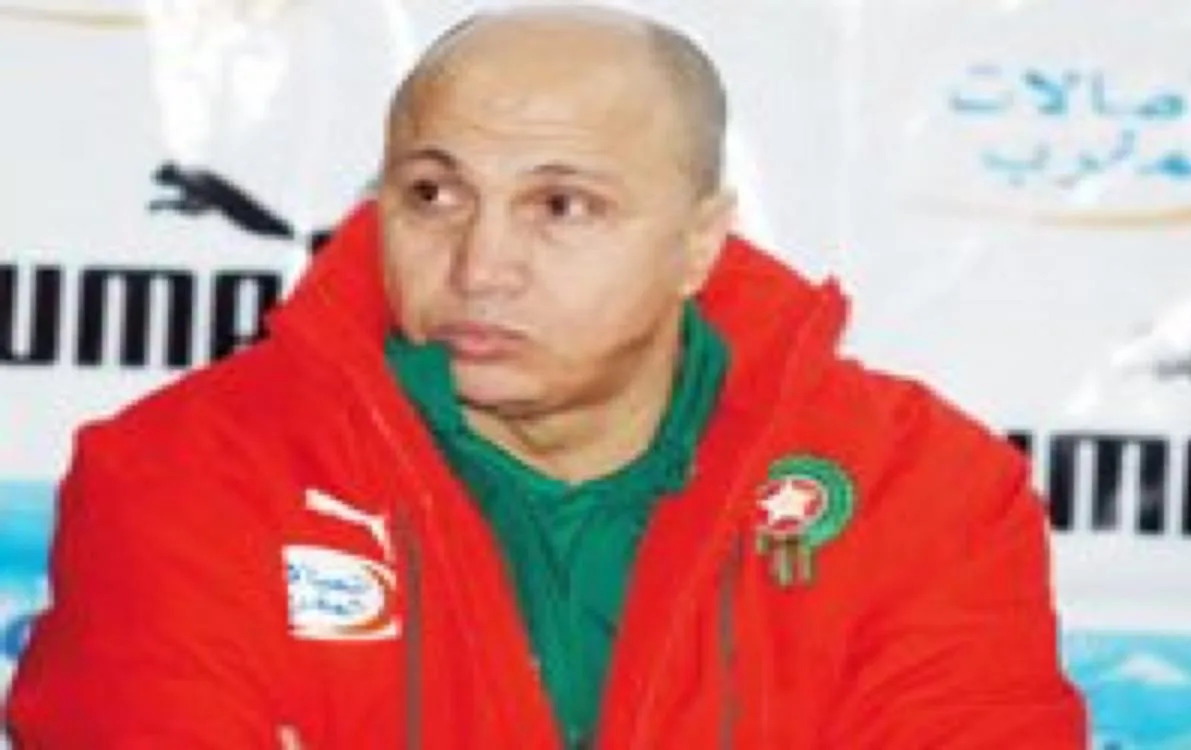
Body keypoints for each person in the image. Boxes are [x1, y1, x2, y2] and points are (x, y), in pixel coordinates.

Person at [6, 5, 1086, 748]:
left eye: (562, 206)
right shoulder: (186, 477)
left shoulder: (918, 490)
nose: (480, 265)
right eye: (434, 195)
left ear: (699, 244)